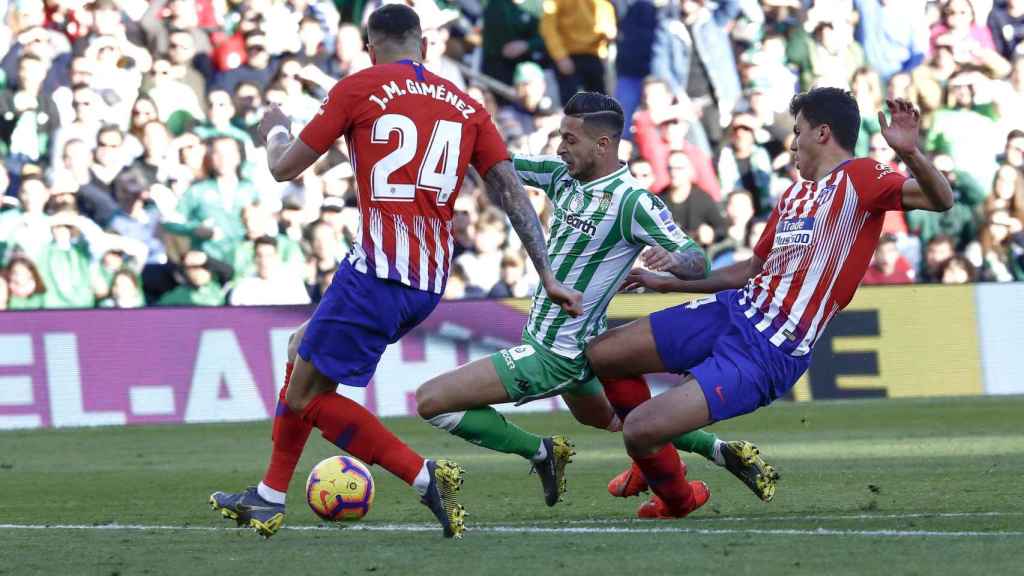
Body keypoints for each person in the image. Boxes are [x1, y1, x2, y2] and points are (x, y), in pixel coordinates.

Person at [209, 4, 581, 540]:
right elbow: (510, 191)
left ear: (369, 47)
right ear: (423, 46)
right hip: (428, 282)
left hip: (377, 272)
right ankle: (268, 496)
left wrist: (275, 129)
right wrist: (546, 273)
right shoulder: (467, 105)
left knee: (306, 397)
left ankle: (422, 475)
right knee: (300, 350)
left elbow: (282, 167)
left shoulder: (357, 88)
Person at [586, 88, 953, 519]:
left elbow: (940, 200)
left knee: (640, 429)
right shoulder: (795, 196)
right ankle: (651, 461)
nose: (792, 142)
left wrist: (908, 153)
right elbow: (748, 270)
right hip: (732, 310)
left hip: (768, 351)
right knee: (602, 354)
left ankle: (678, 497)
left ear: (822, 132)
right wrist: (667, 284)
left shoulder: (863, 177)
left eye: (797, 132)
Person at [415, 92, 778, 508]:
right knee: (608, 418)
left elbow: (699, 260)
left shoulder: (632, 201)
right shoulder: (560, 175)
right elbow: (498, 163)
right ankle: (720, 450)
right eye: (559, 136)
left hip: (557, 354)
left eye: (570, 139)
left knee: (432, 401)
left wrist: (676, 261)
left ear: (603, 145)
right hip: (583, 344)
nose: (560, 147)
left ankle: (542, 452)